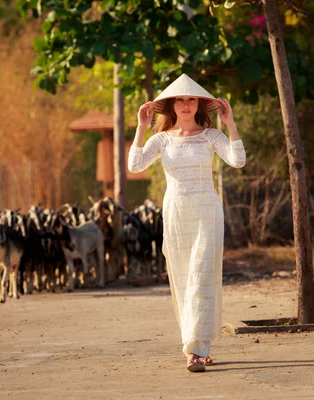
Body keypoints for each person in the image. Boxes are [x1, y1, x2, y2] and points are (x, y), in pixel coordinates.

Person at [127, 74, 246, 373]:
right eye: (179, 99)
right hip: (177, 213)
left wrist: (229, 123)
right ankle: (194, 345)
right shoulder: (162, 139)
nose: (185, 104)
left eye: (191, 98)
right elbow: (134, 165)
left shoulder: (210, 136)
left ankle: (197, 351)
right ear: (170, 105)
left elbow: (238, 160)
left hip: (207, 210)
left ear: (199, 104)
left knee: (201, 276)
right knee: (183, 279)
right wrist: (141, 127)